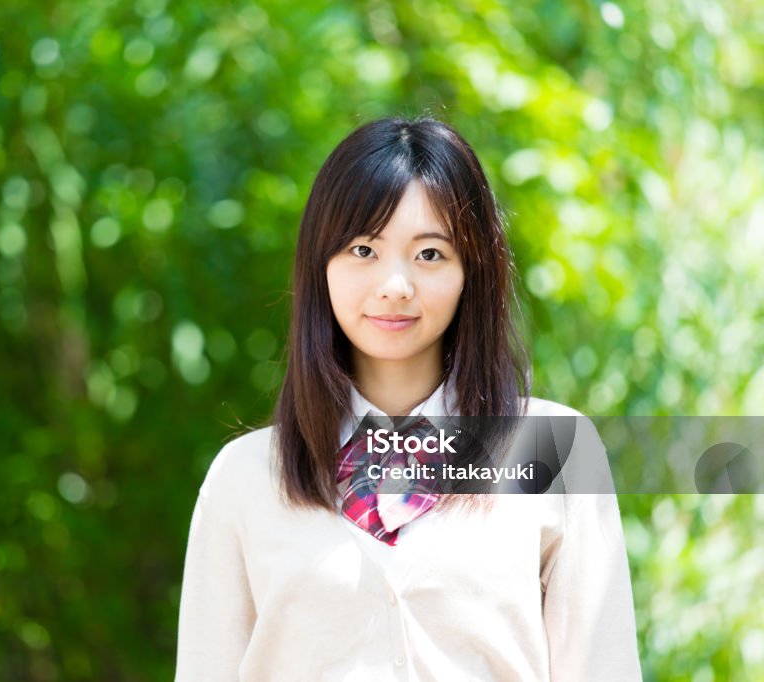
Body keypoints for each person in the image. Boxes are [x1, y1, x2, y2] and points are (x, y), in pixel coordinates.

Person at [175, 117, 641, 681]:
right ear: (321, 266)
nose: (395, 285)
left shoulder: (556, 452)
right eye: (364, 248)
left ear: (472, 271)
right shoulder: (246, 477)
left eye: (429, 254)